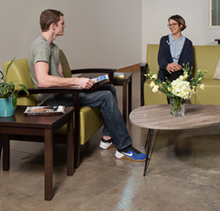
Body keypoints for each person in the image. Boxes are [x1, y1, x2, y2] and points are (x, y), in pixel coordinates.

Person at [28, 9, 146, 162]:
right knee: (105, 97)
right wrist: (76, 81)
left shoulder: (53, 48)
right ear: (53, 26)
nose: (65, 25)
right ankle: (124, 147)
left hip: (61, 93)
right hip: (51, 100)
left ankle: (107, 137)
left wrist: (80, 84)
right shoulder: (41, 46)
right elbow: (43, 81)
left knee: (109, 87)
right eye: (62, 23)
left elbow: (60, 77)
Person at [157, 14, 195, 83]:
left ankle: (170, 89)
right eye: (170, 25)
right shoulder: (164, 40)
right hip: (166, 70)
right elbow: (161, 57)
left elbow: (189, 61)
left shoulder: (188, 43)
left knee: (178, 76)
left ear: (181, 25)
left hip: (180, 71)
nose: (171, 27)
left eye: (174, 24)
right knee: (162, 75)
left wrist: (180, 66)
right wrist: (167, 65)